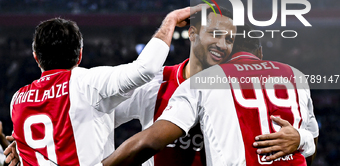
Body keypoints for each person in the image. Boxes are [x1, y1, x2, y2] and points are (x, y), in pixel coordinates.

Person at [101, 25, 319, 166]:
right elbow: (312, 144)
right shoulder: (295, 75)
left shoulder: (207, 80)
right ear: (260, 53)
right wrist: (302, 139)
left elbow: (149, 142)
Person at [6, 6, 197, 166]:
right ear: (80, 55)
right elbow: (145, 69)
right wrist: (170, 20)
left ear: (36, 58)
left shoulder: (18, 99)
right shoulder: (86, 83)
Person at [114, 7, 236, 166]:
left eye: (229, 40)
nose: (222, 45)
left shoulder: (238, 93)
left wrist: (280, 136)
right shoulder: (156, 82)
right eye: (215, 34)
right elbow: (100, 117)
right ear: (192, 34)